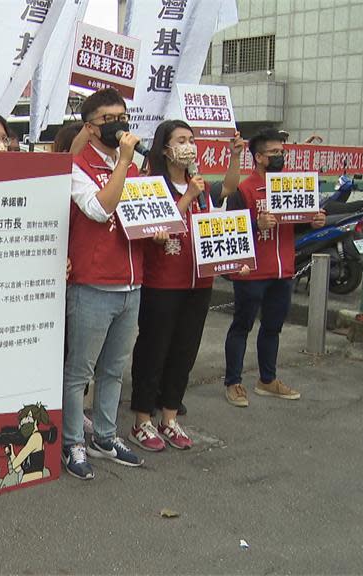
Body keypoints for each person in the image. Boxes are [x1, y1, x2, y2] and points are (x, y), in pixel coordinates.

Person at [127, 120, 244, 452]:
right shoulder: (150, 185)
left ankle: (169, 417)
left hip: (199, 281)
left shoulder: (201, 186)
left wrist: (234, 158)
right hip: (162, 282)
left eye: (191, 140)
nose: (188, 146)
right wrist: (187, 196)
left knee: (184, 351)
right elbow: (152, 228)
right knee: (154, 350)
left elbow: (229, 189)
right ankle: (141, 421)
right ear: (165, 148)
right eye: (181, 140)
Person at [62, 88, 145, 480]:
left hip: (131, 284)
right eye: (109, 120)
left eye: (122, 116)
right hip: (92, 284)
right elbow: (98, 209)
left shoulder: (137, 170)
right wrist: (124, 163)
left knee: (114, 369)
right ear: (91, 128)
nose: (119, 125)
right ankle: (73, 441)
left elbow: (148, 213)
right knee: (80, 371)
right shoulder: (76, 167)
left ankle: (106, 436)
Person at [223, 129, 326, 407]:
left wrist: (313, 220)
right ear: (258, 157)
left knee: (272, 328)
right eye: (274, 153)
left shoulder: (290, 185)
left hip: (283, 271)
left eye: (282, 152)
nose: (280, 157)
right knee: (241, 326)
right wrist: (257, 225)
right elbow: (230, 229)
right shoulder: (244, 189)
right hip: (252, 272)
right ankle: (233, 383)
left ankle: (267, 380)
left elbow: (299, 222)